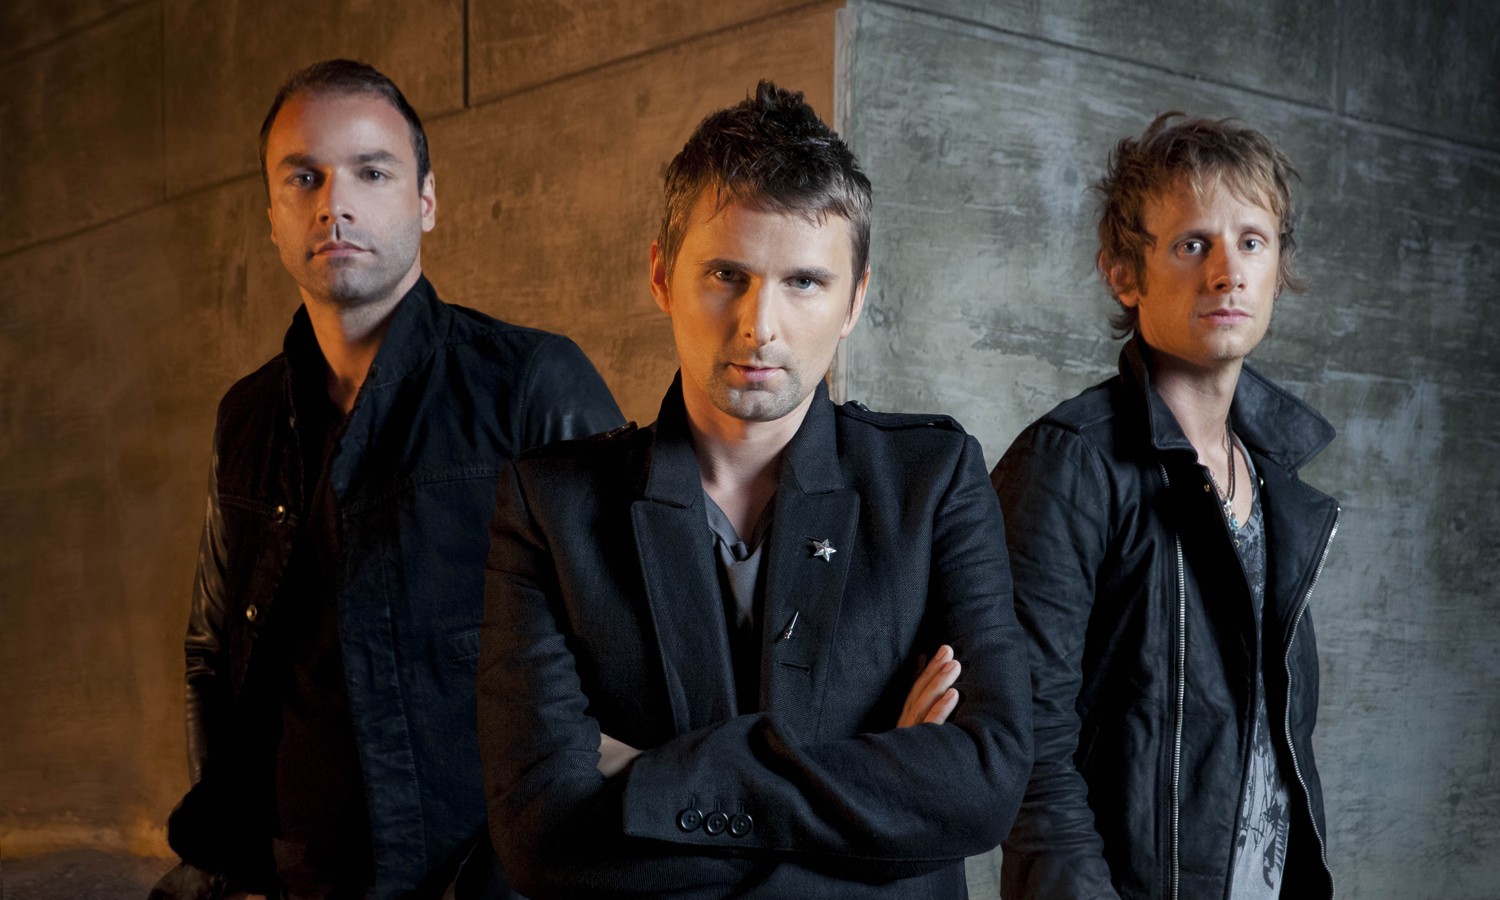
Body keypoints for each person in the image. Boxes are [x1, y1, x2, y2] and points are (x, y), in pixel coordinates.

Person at [477, 81, 1032, 898]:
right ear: (662, 275)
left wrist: (653, 780)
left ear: (856, 300)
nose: (759, 325)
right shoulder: (550, 505)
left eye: (804, 282)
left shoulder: (933, 481)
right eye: (726, 273)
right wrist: (874, 793)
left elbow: (983, 786)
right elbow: (543, 834)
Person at [151, 59, 623, 900]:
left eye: (372, 172)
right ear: (271, 213)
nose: (334, 204)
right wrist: (235, 865)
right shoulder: (247, 415)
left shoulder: (534, 384)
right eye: (304, 177)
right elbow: (212, 652)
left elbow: (624, 670)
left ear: (426, 200)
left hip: (474, 881)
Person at [992, 112, 1339, 899]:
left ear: (1278, 267)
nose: (1228, 273)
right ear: (1125, 274)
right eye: (1192, 245)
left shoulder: (1275, 479)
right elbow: (1027, 745)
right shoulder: (1071, 464)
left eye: (1252, 242)